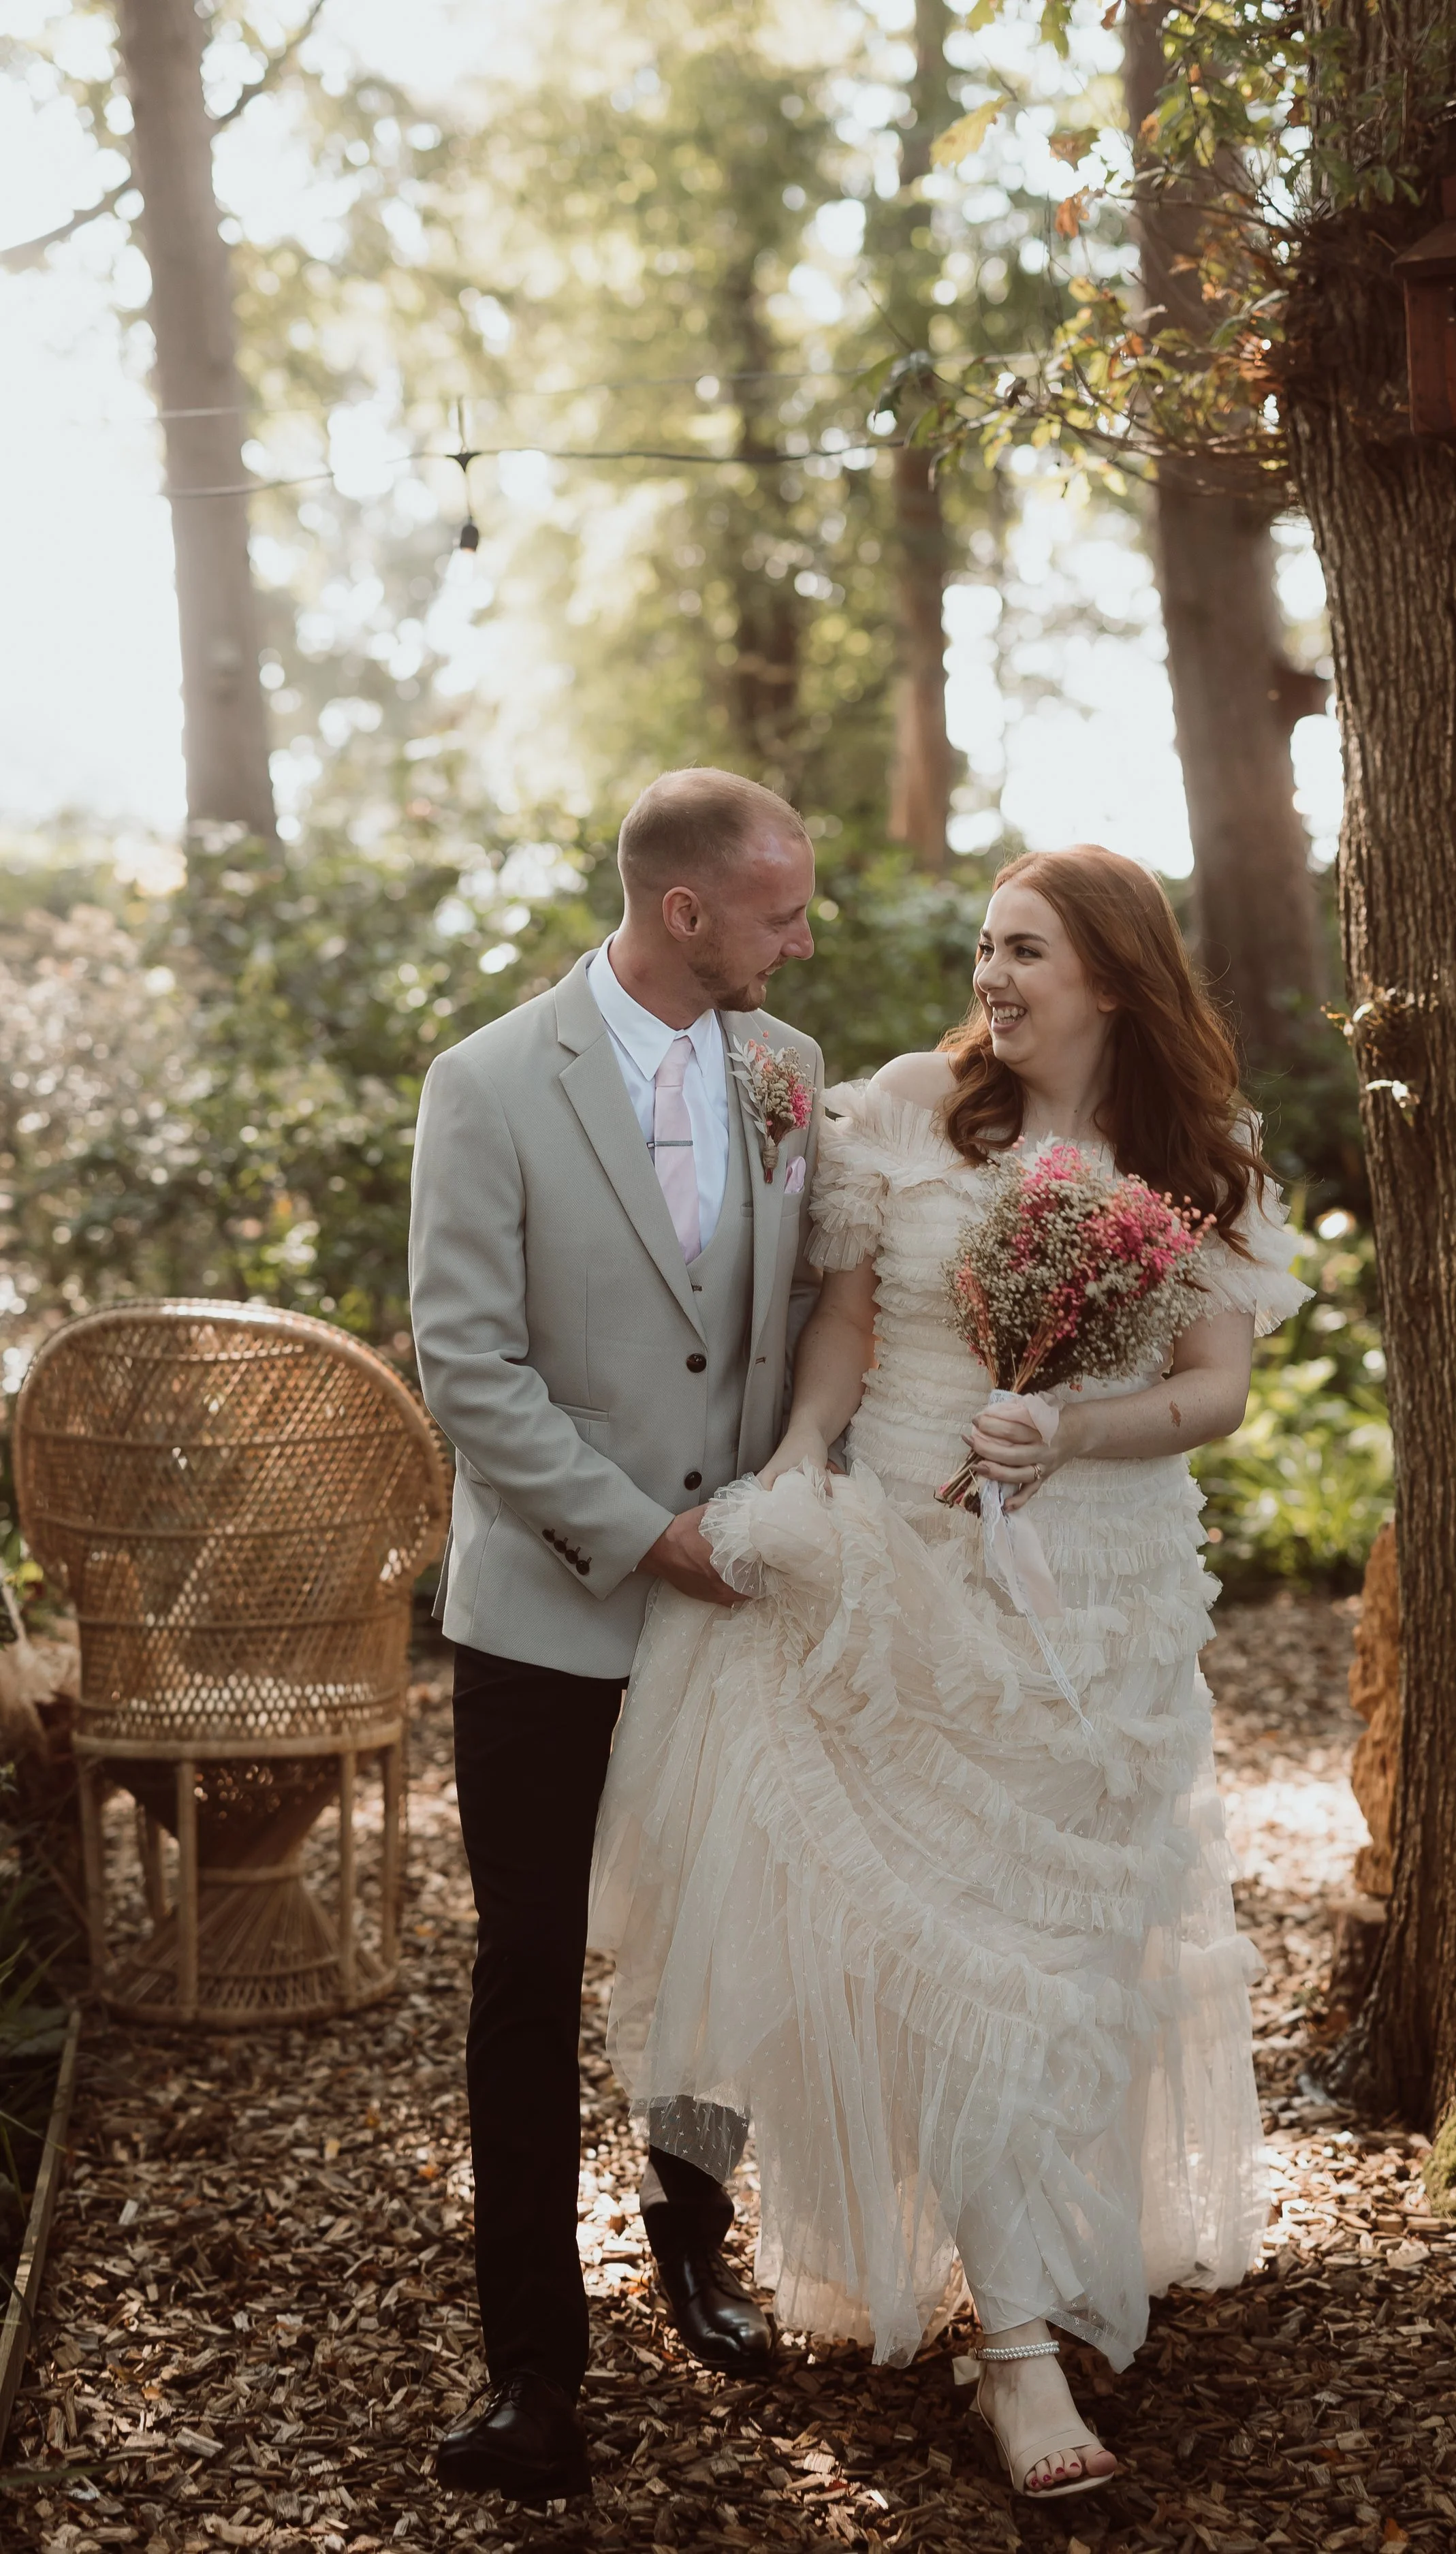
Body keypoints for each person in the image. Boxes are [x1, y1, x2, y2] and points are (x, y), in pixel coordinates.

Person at [589, 845, 1311, 2501]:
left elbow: (1212, 1392)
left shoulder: (1201, 1156)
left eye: (1028, 953)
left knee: (1052, 1958)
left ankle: (1035, 2266)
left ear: (1115, 978)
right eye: (986, 947)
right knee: (945, 1947)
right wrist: (796, 1459)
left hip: (1092, 1602)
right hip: (895, 1572)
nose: (992, 978)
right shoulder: (913, 1109)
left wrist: (1069, 1426)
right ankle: (1011, 2354)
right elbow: (842, 1324)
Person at [408, 767, 823, 2503]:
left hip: (732, 1606)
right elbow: (467, 1363)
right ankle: (532, 2374)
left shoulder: (787, 1072)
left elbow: (811, 1311)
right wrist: (640, 1534)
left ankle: (699, 2244)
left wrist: (776, 1513)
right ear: (684, 912)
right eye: (780, 910)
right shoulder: (489, 1082)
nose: (799, 939)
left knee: (718, 1947)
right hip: (549, 1612)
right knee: (525, 1976)